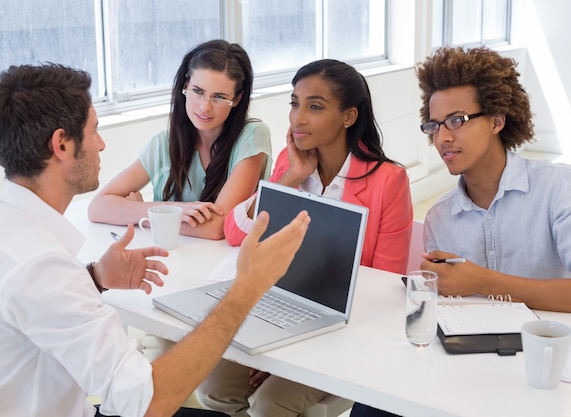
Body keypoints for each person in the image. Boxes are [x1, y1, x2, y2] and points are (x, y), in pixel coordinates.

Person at [0, 63, 310, 417]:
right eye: (94, 131)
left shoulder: (18, 237)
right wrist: (246, 289)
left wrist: (94, 279)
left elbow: (31, 306)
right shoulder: (41, 265)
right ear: (61, 145)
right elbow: (145, 404)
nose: (102, 144)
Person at [349, 45, 571, 417]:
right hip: (471, 371)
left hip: (549, 372)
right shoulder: (441, 218)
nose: (442, 137)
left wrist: (483, 282)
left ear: (497, 120)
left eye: (457, 120)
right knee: (372, 405)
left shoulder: (560, 187)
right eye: (434, 125)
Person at [195, 59, 414, 417]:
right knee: (214, 385)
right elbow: (235, 233)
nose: (298, 118)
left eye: (315, 106)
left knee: (268, 404)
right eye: (294, 103)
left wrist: (288, 350)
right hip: (279, 312)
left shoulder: (388, 181)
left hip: (343, 331)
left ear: (348, 116)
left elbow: (384, 290)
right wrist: (292, 177)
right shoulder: (291, 162)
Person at [88, 39, 271, 240]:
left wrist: (140, 210)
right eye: (198, 91)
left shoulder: (253, 136)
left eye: (218, 97)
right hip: (169, 260)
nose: (204, 107)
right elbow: (97, 208)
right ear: (185, 86)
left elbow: (218, 226)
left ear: (236, 99)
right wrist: (177, 210)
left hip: (222, 265)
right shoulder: (162, 144)